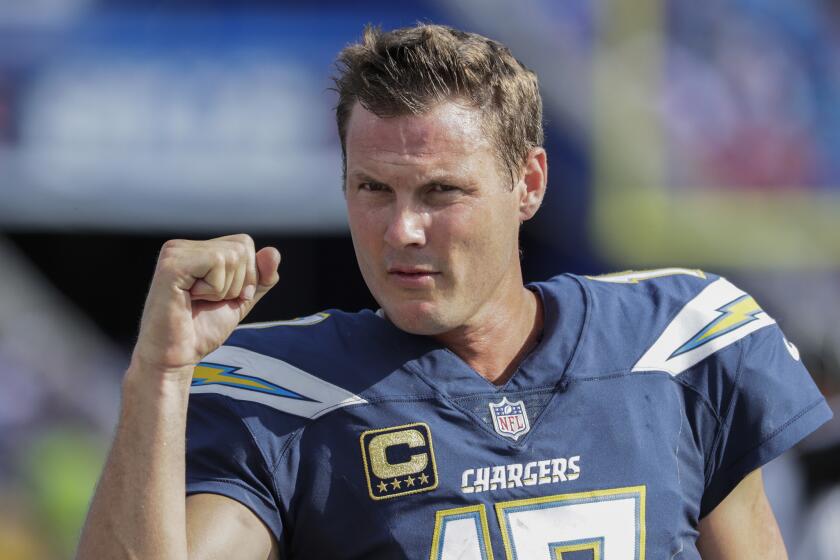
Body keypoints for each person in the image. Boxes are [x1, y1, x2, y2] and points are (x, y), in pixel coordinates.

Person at [77, 24, 832, 559]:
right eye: (373, 188)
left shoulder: (674, 343)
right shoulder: (284, 395)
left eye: (441, 191)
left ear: (527, 182)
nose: (402, 228)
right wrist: (160, 375)